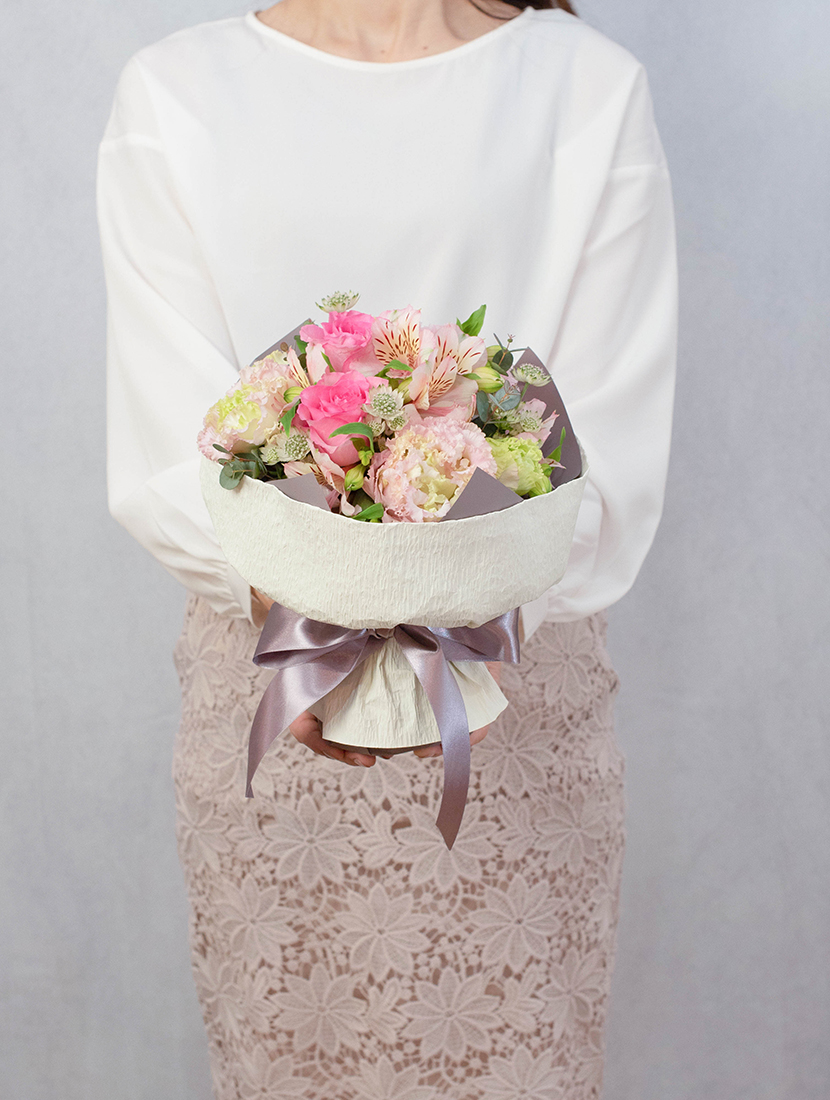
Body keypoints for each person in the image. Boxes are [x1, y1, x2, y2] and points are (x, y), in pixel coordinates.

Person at [97, 0, 676, 1095]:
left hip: (512, 707)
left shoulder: (586, 87)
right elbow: (168, 444)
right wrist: (313, 614)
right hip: (277, 705)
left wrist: (425, 611)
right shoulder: (176, 93)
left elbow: (608, 447)